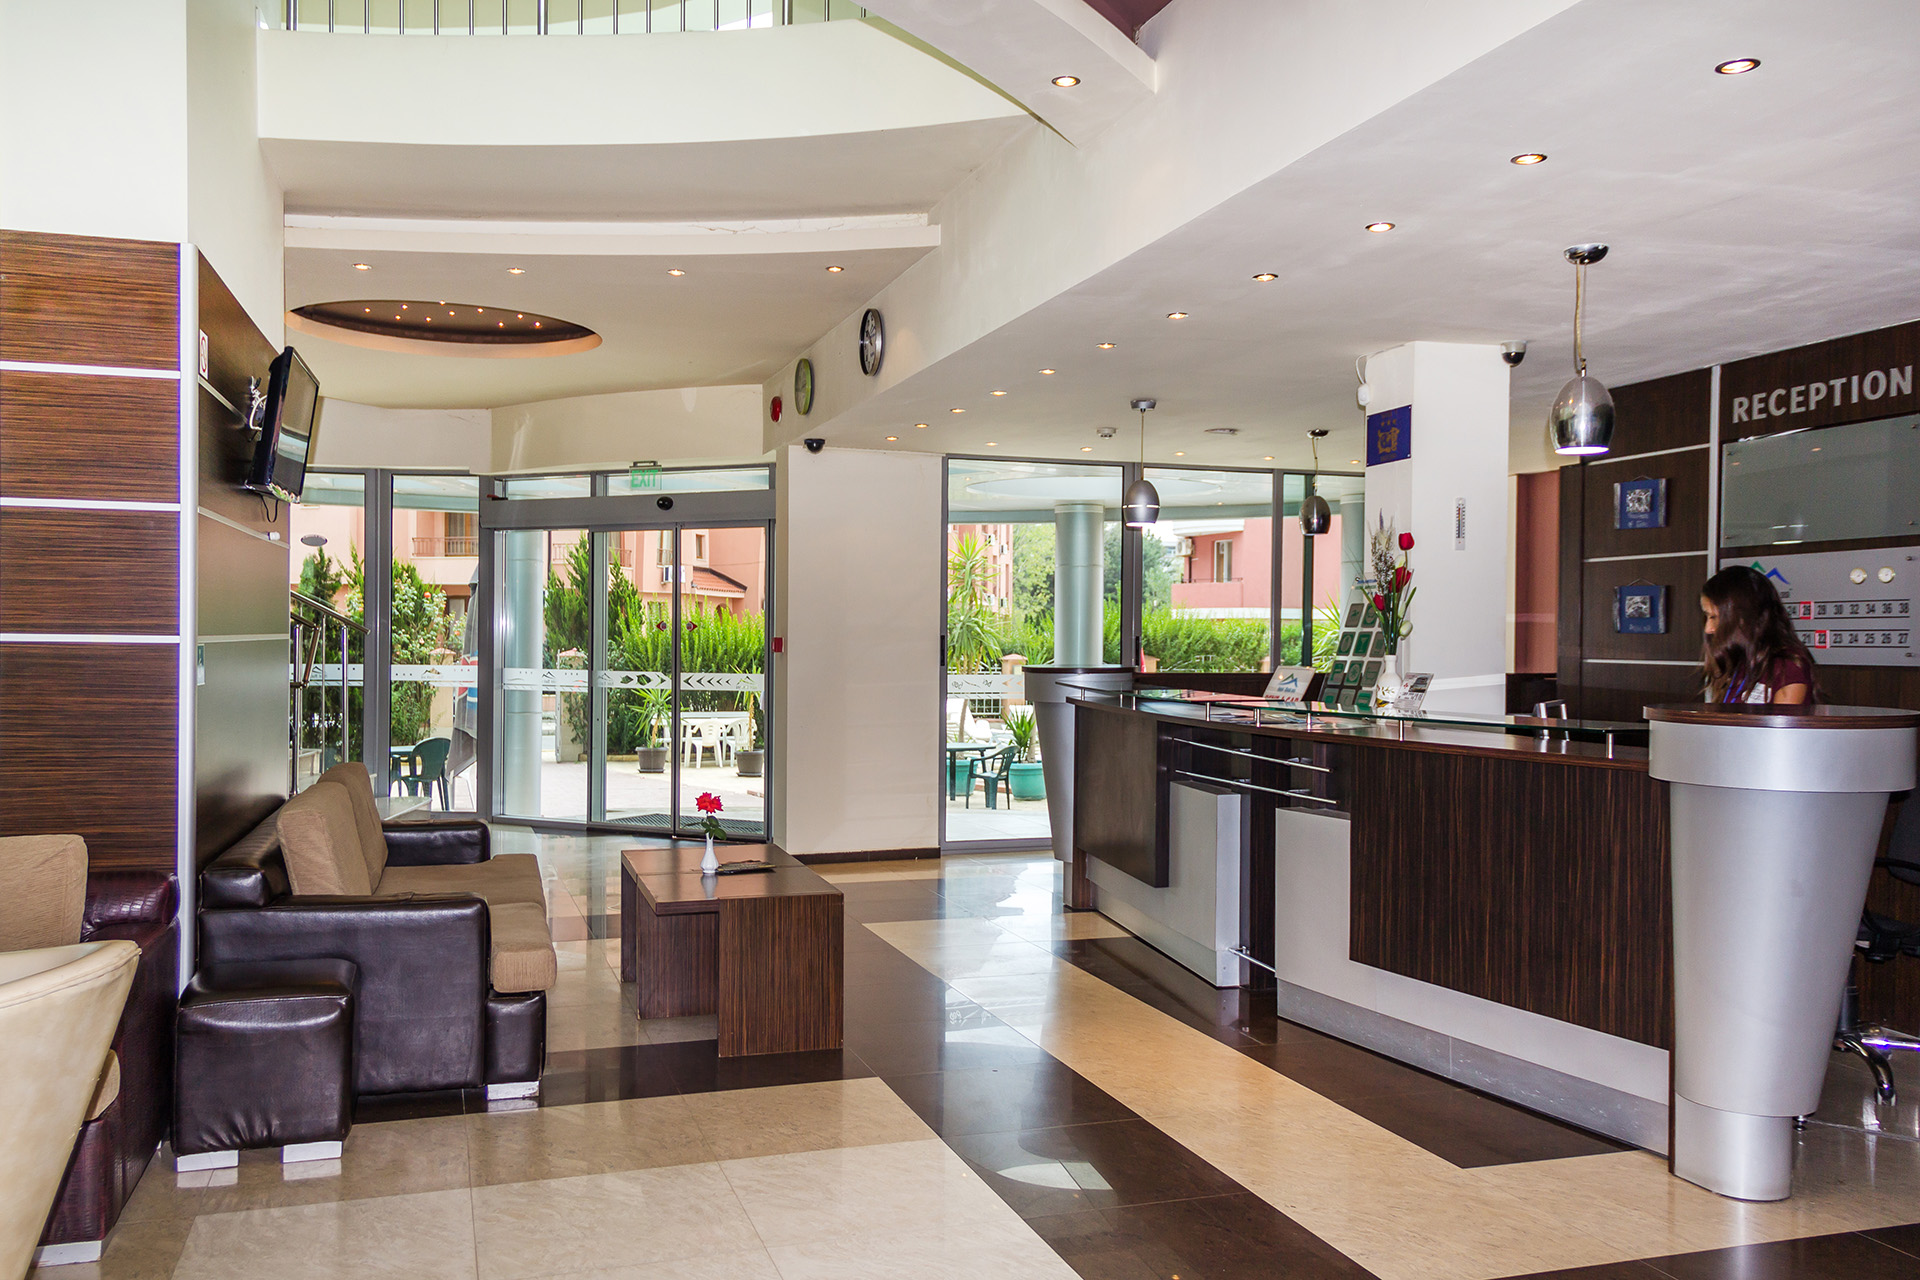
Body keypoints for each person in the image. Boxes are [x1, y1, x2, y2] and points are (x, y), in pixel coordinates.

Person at [1699, 565, 1817, 705]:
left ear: (1743, 617)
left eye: (1714, 617)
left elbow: (1782, 718)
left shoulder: (1788, 665)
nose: (1708, 629)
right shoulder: (1741, 660)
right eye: (1707, 617)